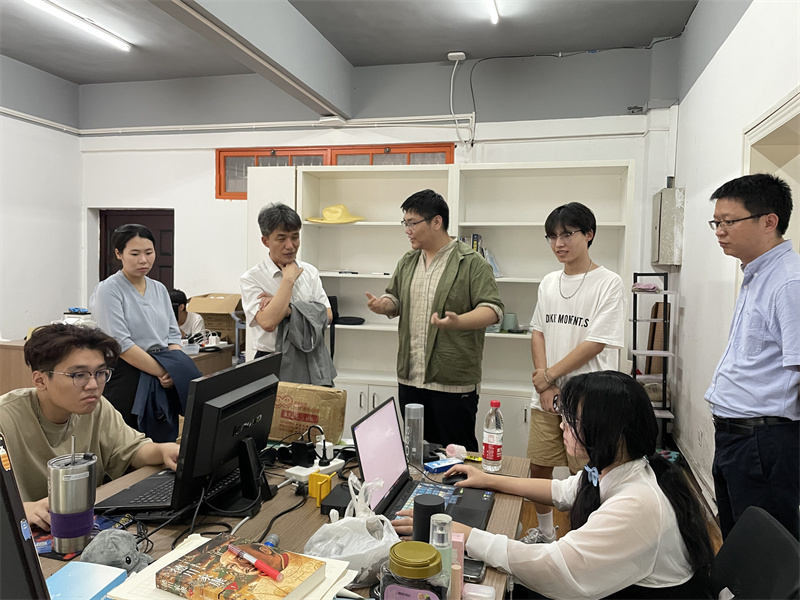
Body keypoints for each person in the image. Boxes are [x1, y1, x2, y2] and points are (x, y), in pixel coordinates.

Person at [394, 372, 714, 599]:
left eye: (572, 421)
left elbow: (553, 568)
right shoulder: (622, 467)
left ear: (606, 432)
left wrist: (463, 534)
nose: (562, 425)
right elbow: (560, 492)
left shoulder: (637, 503)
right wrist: (488, 479)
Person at [0, 324, 180, 531]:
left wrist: (163, 450)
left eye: (100, 373)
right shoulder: (6, 418)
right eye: (79, 375)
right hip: (21, 534)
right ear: (40, 380)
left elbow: (131, 450)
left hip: (79, 527)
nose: (93, 385)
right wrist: (22, 509)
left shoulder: (96, 407)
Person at [366, 189, 503, 451]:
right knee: (416, 454)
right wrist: (384, 305)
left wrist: (459, 321)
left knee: (457, 455)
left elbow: (493, 310)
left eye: (412, 223)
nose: (407, 230)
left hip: (452, 382)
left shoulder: (472, 263)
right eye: (405, 223)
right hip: (411, 378)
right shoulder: (408, 261)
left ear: (436, 222)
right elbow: (395, 298)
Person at [705, 173, 799, 540]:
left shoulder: (788, 281)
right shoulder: (757, 275)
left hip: (765, 441)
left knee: (766, 549)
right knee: (739, 542)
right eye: (716, 222)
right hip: (737, 437)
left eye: (729, 222)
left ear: (769, 221)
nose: (719, 231)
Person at [525, 202, 625, 544]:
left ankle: (581, 538)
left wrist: (549, 377)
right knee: (539, 465)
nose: (559, 243)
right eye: (552, 236)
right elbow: (538, 331)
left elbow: (595, 343)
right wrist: (544, 382)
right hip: (547, 396)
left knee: (584, 473)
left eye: (567, 234)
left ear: (589, 234)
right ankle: (544, 531)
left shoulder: (608, 282)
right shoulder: (549, 282)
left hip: (587, 400)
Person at [91, 224, 201, 441]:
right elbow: (120, 343)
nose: (143, 260)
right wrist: (164, 371)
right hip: (128, 373)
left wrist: (172, 370)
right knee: (129, 439)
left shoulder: (159, 288)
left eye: (149, 252)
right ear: (119, 254)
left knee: (162, 435)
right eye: (135, 254)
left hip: (163, 369)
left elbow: (173, 335)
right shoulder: (109, 289)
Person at [240, 203, 333, 359]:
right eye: (281, 238)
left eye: (295, 237)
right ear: (265, 241)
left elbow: (327, 315)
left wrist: (288, 310)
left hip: (309, 355)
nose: (290, 246)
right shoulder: (252, 278)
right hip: (271, 357)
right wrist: (288, 280)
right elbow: (268, 322)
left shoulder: (309, 272)